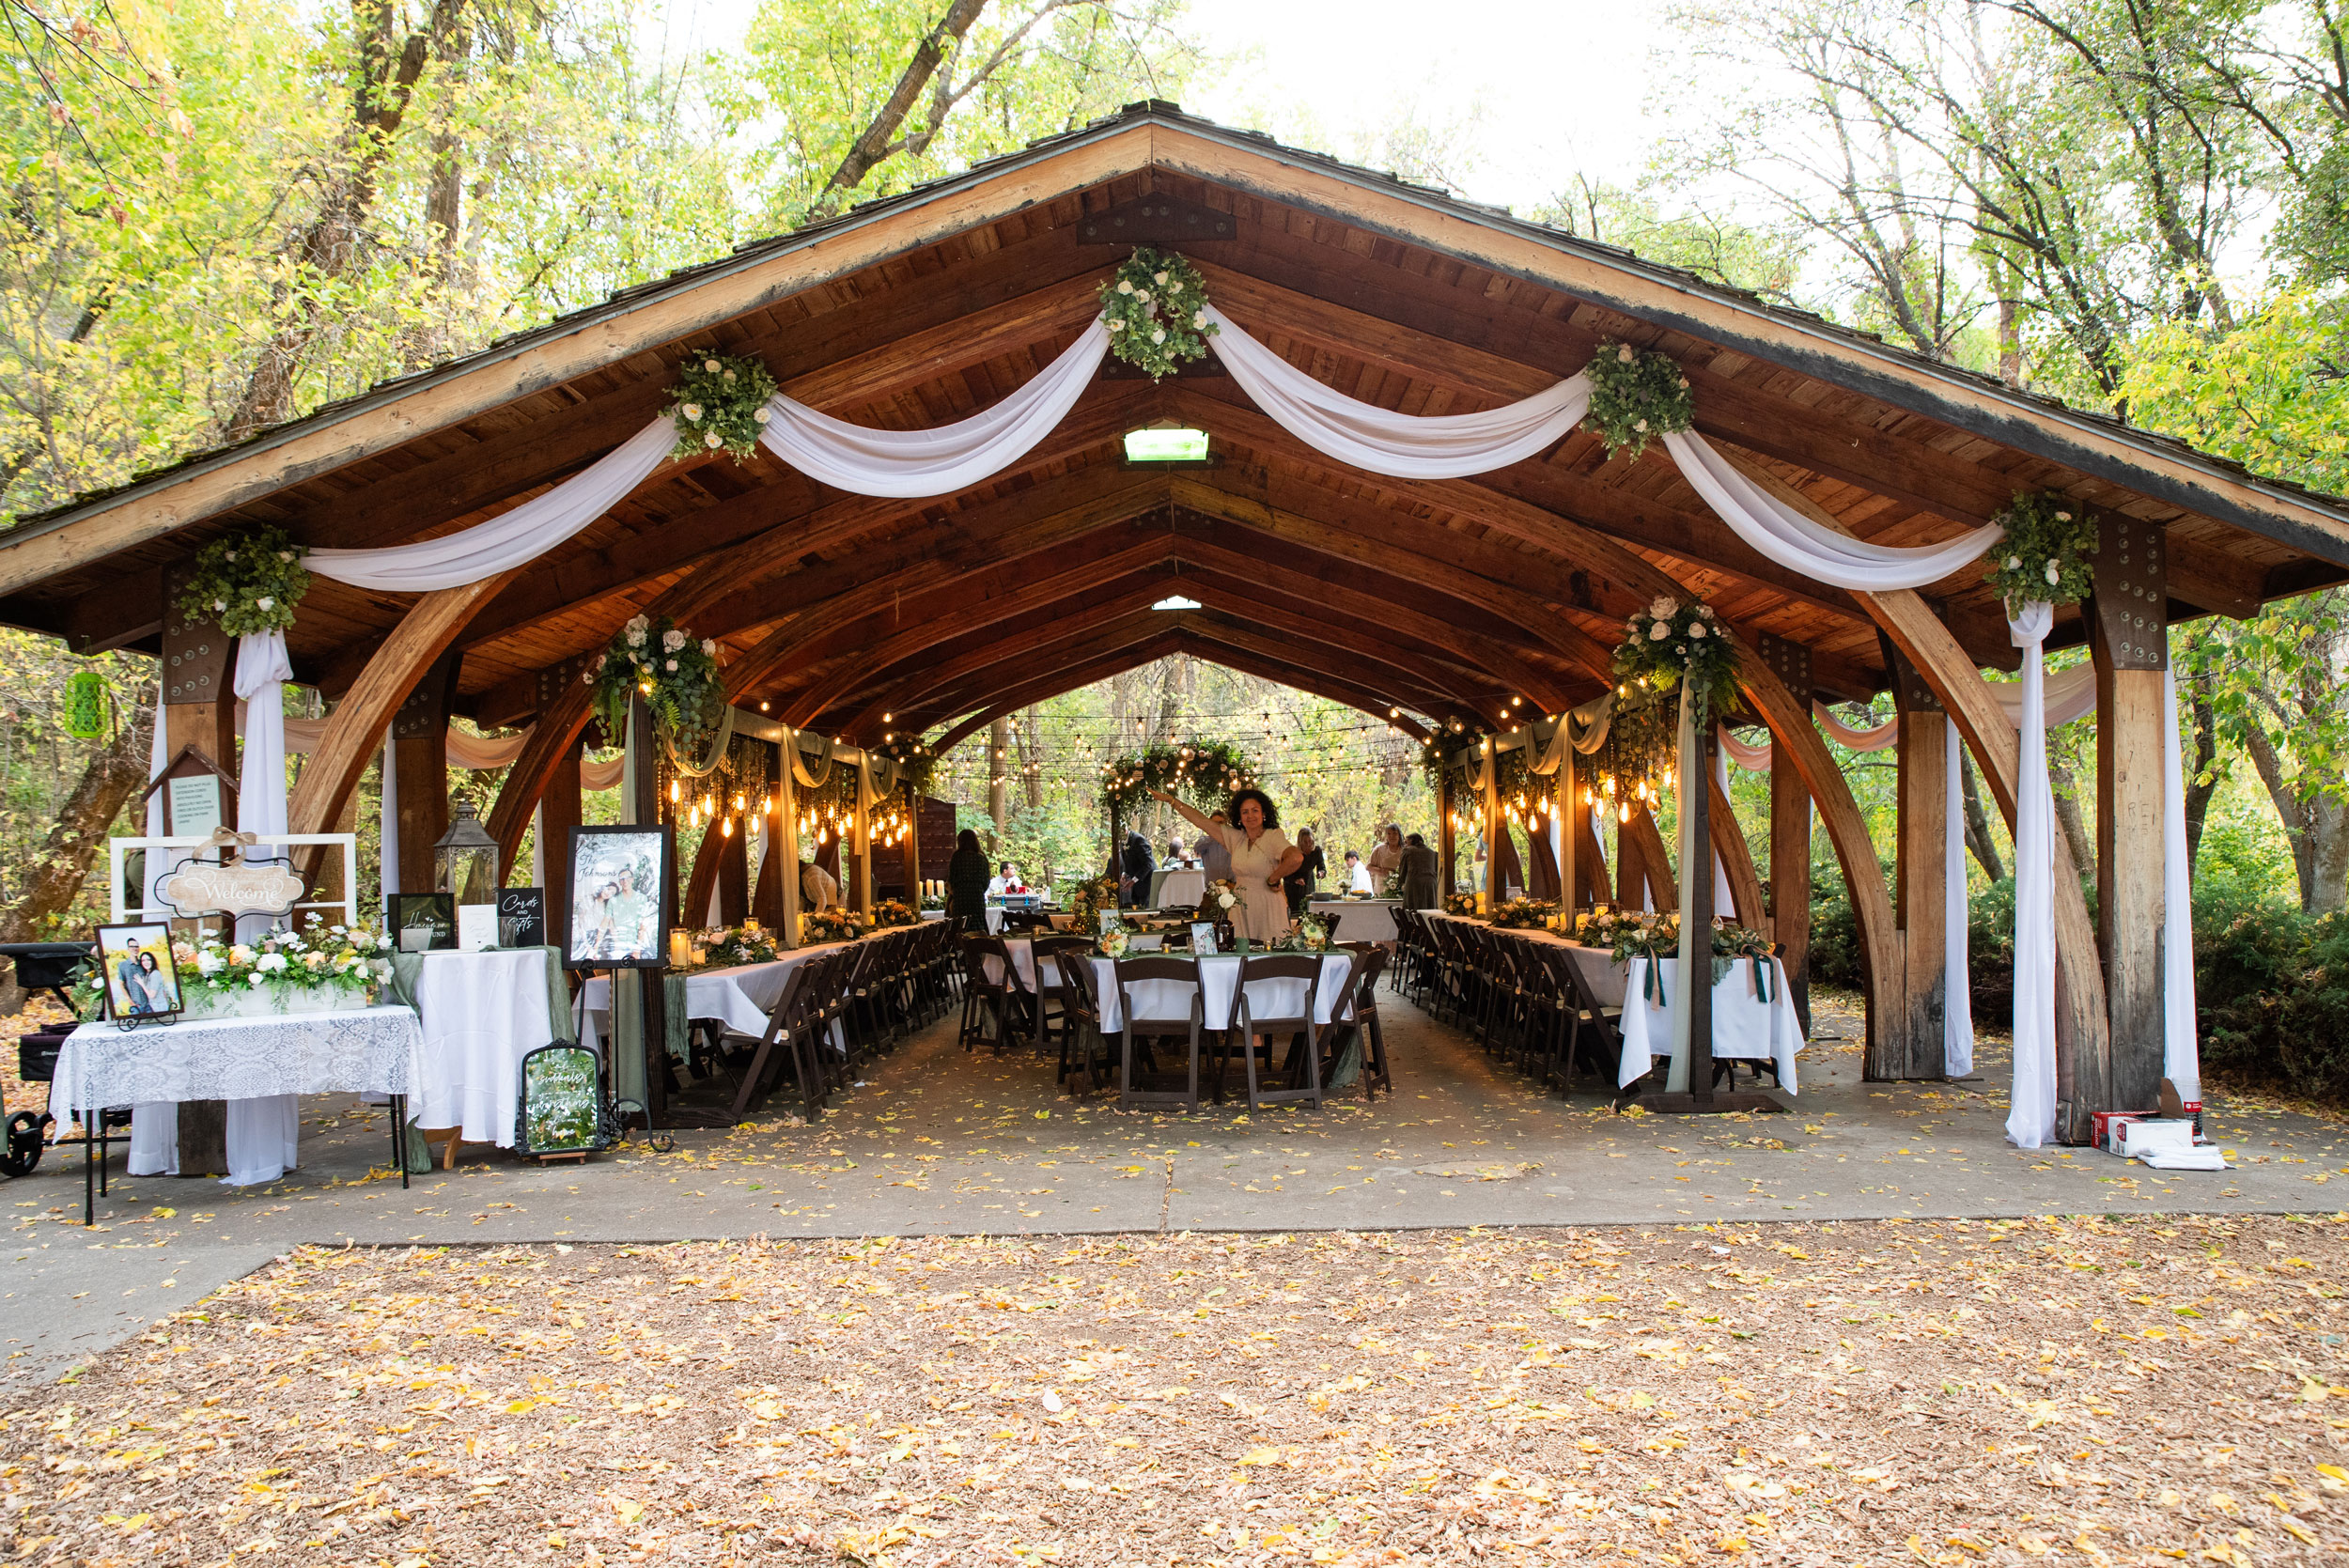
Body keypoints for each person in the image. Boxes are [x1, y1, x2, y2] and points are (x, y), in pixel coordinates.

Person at [1151, 786, 1302, 948]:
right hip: (1240, 906)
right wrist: (1172, 801)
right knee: (1239, 950)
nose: (1250, 815)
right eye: (1245, 812)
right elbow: (1202, 821)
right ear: (1239, 817)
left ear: (1264, 813)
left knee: (1271, 953)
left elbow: (1296, 857)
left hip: (1267, 905)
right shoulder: (1237, 838)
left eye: (1255, 810)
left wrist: (1274, 878)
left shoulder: (1273, 836)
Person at [945, 828, 991, 931]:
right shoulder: (981, 858)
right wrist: (977, 889)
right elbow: (986, 881)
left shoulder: (957, 857)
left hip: (960, 897)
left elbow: (952, 878)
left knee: (960, 926)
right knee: (977, 925)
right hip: (977, 897)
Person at [1283, 826, 1325, 917]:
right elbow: (1285, 874)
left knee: (1308, 913)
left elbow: (1321, 867)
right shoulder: (1293, 853)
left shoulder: (1317, 851)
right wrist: (1296, 880)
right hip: (1293, 887)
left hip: (1308, 884)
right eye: (1305, 842)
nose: (1308, 844)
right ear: (1300, 842)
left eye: (1310, 841)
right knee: (1295, 914)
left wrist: (1321, 873)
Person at [1399, 831, 1441, 910]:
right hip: (1431, 883)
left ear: (1412, 840)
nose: (1405, 845)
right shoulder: (1432, 852)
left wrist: (1401, 882)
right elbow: (1436, 869)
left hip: (1414, 882)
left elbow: (1403, 869)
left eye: (1406, 842)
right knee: (1429, 907)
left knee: (1413, 907)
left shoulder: (1408, 850)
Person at [1192, 815, 1234, 883]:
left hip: (1231, 884)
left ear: (1226, 824)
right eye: (1214, 823)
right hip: (1212, 885)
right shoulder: (1204, 841)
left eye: (1220, 823)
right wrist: (1213, 835)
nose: (1217, 825)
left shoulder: (1233, 840)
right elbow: (1197, 848)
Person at [1121, 831, 1155, 909]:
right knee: (1135, 907)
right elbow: (1127, 859)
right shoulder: (1122, 841)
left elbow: (1148, 864)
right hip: (1135, 885)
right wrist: (1124, 873)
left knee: (1145, 909)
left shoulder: (1138, 840)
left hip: (1147, 882)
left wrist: (1133, 880)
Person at [1367, 824, 1404, 892]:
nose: (1392, 836)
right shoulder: (1379, 849)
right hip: (1382, 887)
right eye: (1389, 834)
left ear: (1399, 835)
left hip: (1400, 887)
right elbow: (1368, 867)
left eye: (1394, 833)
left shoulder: (1405, 850)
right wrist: (1383, 871)